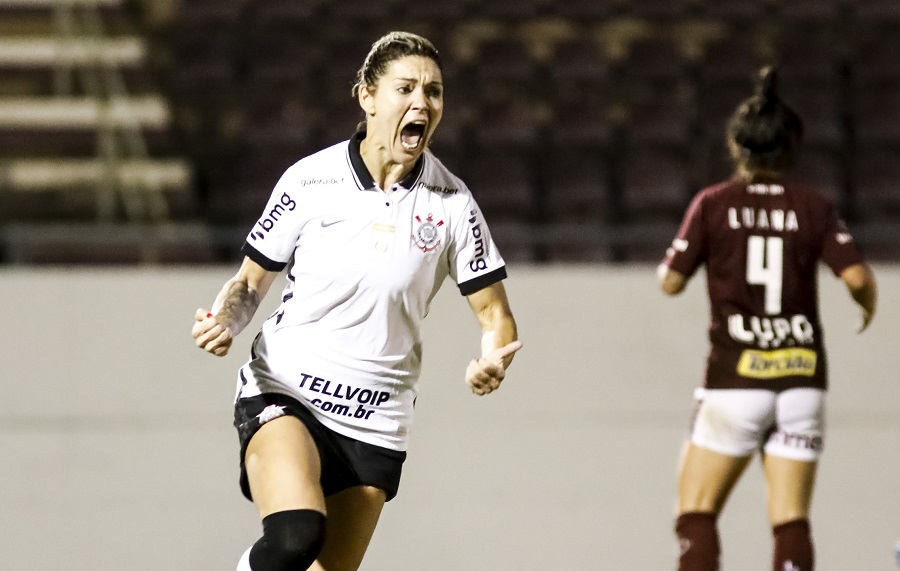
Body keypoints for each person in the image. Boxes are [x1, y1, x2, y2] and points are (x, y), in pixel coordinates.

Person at [191, 31, 522, 571]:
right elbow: (249, 283)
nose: (423, 103)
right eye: (406, 88)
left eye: (434, 92)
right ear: (367, 97)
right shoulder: (310, 179)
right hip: (287, 389)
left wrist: (492, 357)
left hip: (377, 415)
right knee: (297, 536)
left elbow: (495, 315)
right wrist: (226, 320)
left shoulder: (454, 203)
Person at [657, 66, 877, 571]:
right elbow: (858, 278)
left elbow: (671, 282)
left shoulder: (713, 203)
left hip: (736, 379)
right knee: (790, 520)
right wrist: (867, 308)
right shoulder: (815, 206)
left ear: (736, 145)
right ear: (792, 148)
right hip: (802, 379)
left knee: (696, 511)